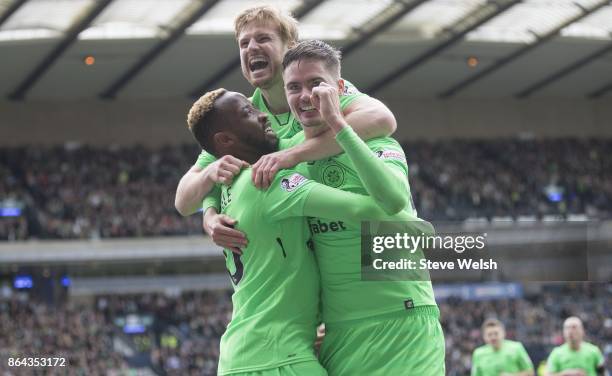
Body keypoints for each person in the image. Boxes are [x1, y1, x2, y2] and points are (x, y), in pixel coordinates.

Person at [186, 88, 433, 376]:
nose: (262, 115)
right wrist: (422, 233)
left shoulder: (227, 186)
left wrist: (209, 209)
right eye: (248, 113)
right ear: (226, 140)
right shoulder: (267, 183)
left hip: (248, 353)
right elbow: (367, 210)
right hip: (278, 358)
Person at [174, 5, 397, 253]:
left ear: (290, 47)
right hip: (319, 251)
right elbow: (184, 201)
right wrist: (210, 209)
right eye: (244, 43)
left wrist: (289, 155)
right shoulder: (244, 115)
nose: (252, 48)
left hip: (365, 239)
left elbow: (382, 119)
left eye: (263, 38)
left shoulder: (321, 89)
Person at [281, 39, 445, 376]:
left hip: (402, 318)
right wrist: (210, 210)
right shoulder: (290, 159)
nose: (304, 96)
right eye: (293, 87)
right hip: (338, 331)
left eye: (316, 83)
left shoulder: (376, 141)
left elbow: (393, 199)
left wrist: (338, 124)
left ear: (340, 88)